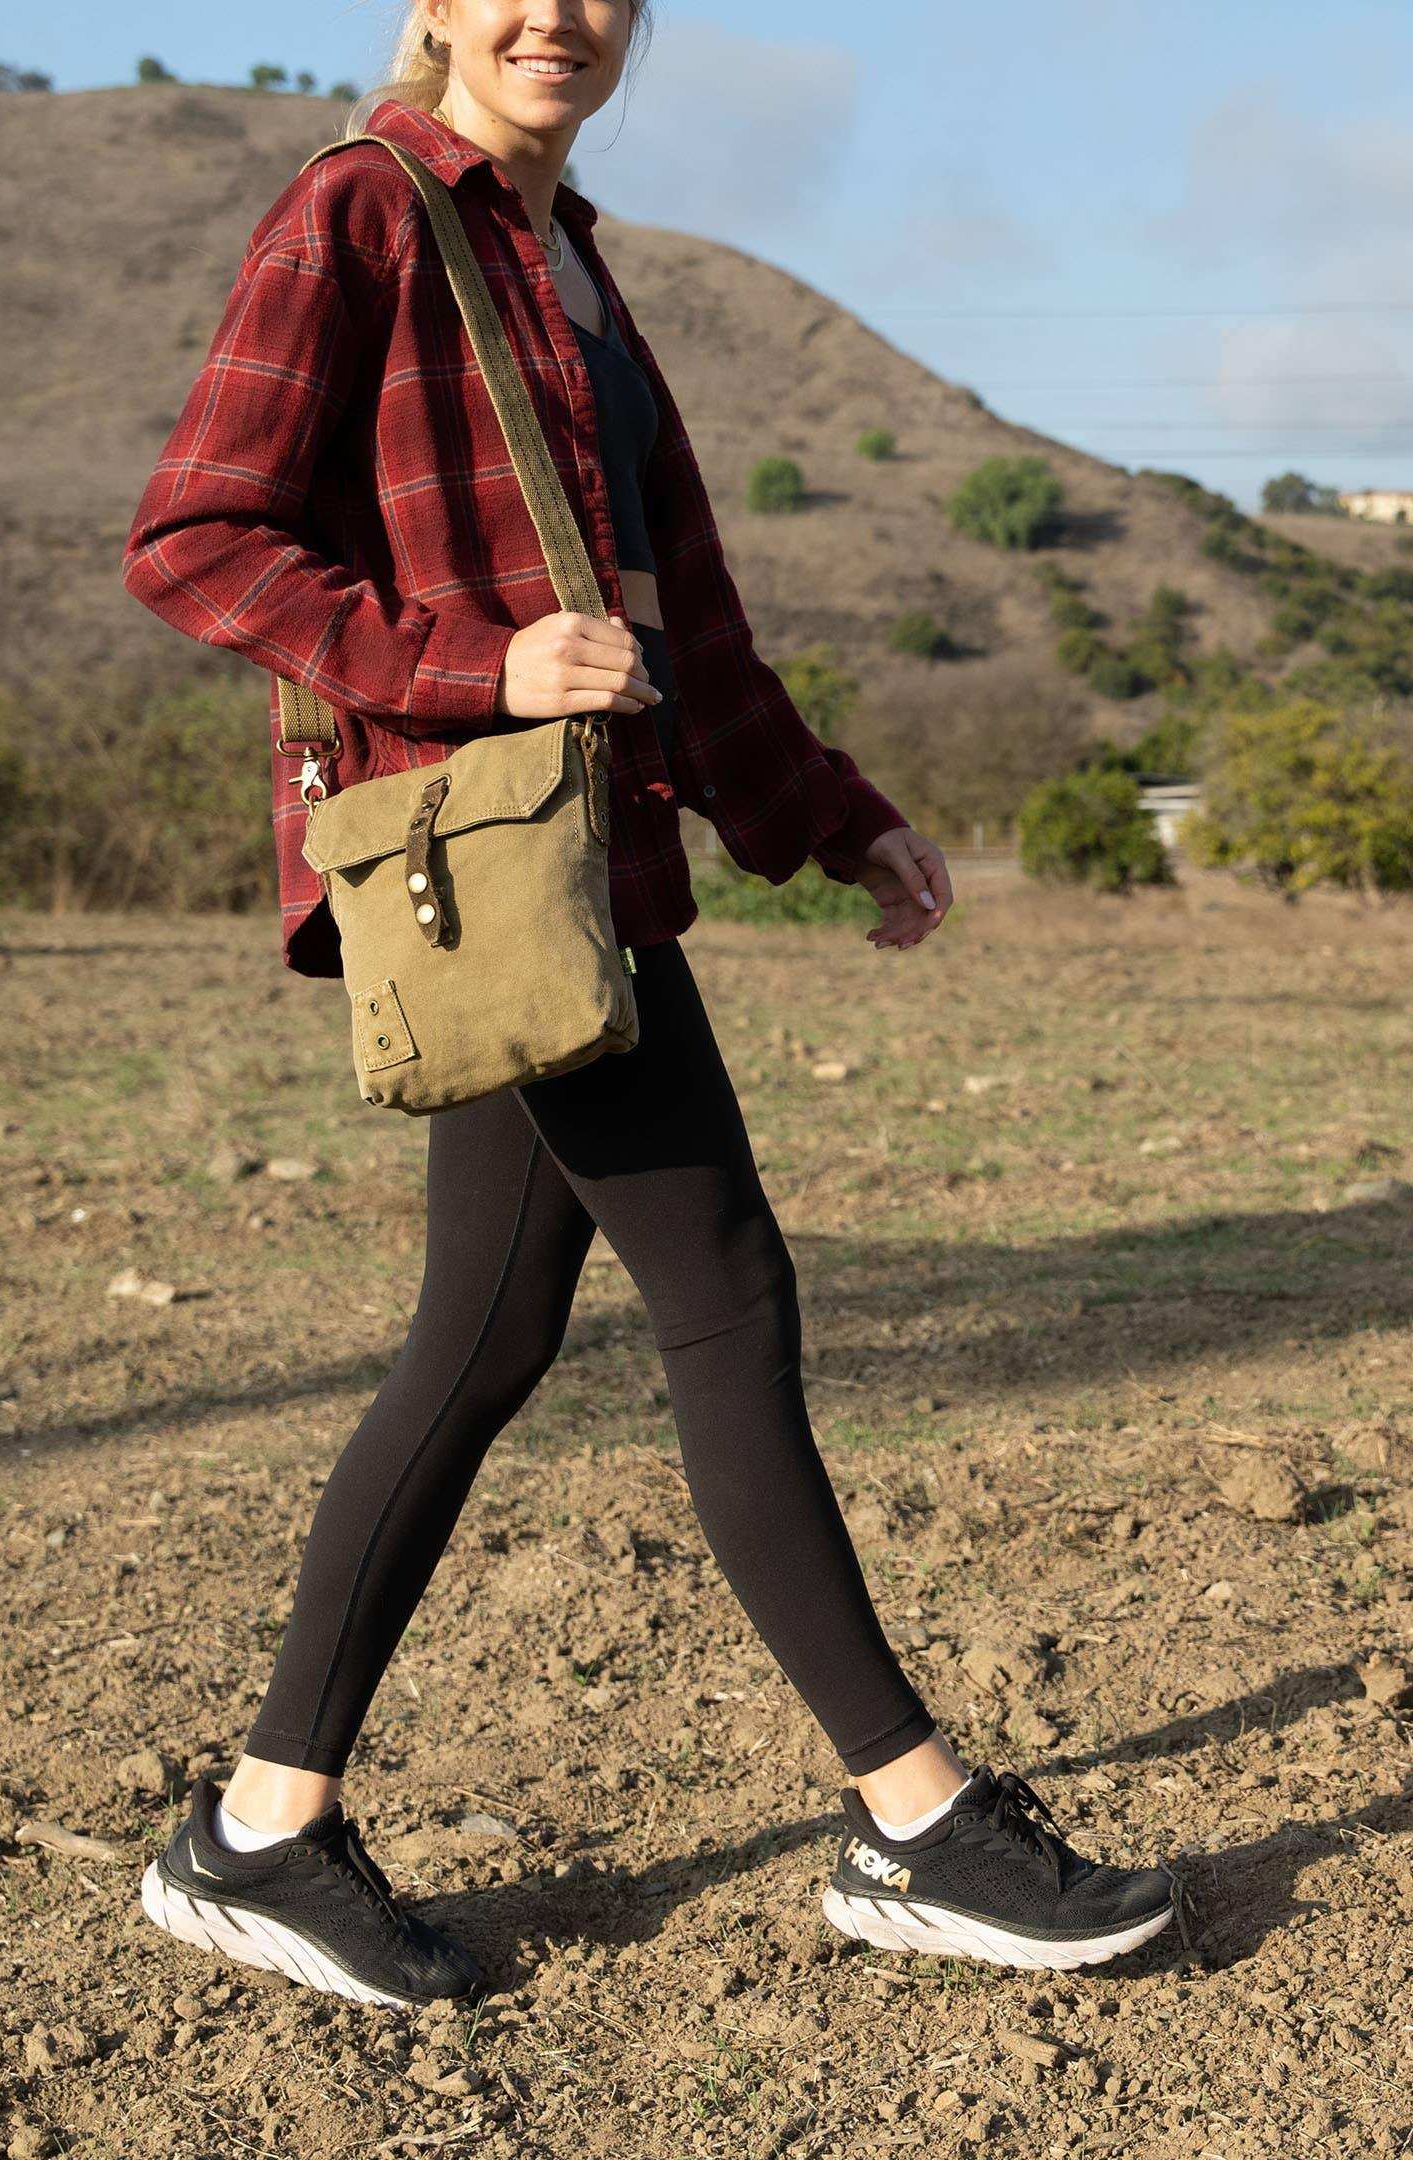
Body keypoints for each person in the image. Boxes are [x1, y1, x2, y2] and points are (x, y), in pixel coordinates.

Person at [120, 1, 1177, 2008]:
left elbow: (670, 615)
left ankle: (259, 1828)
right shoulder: (354, 217)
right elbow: (193, 539)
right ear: (429, 0)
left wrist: (829, 816)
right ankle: (912, 1820)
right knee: (723, 1291)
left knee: (489, 1331)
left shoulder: (571, 263)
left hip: (576, 882)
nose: (560, 16)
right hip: (491, 877)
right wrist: (471, 666)